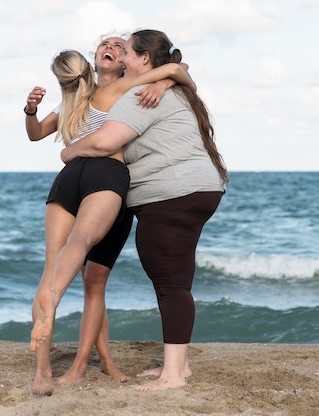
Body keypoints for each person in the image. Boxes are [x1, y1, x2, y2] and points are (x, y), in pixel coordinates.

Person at [61, 29, 229, 392]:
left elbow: (106, 141)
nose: (121, 59)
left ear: (144, 60)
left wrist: (68, 152)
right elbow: (181, 71)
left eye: (128, 54)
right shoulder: (170, 88)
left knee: (172, 285)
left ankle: (172, 375)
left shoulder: (140, 94)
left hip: (172, 193)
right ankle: (178, 366)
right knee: (176, 281)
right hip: (197, 188)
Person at [28, 44, 196, 395]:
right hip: (106, 176)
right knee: (84, 251)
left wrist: (30, 109)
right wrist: (165, 79)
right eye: (105, 44)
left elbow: (34, 133)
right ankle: (56, 298)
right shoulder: (117, 90)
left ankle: (43, 373)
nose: (111, 47)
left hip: (69, 177)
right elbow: (180, 69)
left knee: (52, 270)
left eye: (119, 46)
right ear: (94, 63)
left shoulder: (74, 98)